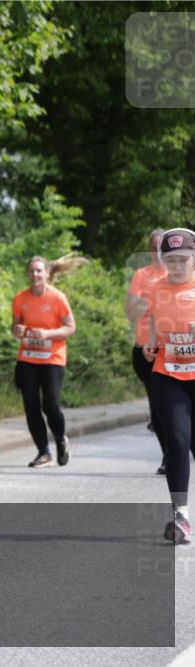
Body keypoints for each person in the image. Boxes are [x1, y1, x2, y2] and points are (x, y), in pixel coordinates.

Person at [142, 228, 195, 546]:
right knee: (176, 442)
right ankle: (182, 516)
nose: (176, 267)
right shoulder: (155, 288)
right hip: (168, 372)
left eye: (183, 260)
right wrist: (151, 341)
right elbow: (153, 321)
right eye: (170, 260)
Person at [11, 255, 79, 468]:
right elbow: (15, 328)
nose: (35, 274)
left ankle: (60, 438)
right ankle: (43, 452)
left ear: (48, 273)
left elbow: (70, 327)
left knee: (50, 404)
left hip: (53, 359)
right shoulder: (20, 299)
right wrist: (18, 331)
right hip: (28, 358)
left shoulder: (57, 298)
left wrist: (47, 334)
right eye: (31, 271)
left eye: (39, 270)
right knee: (31, 406)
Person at [127, 229, 168, 474]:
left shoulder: (183, 273)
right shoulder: (141, 276)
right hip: (146, 350)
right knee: (159, 403)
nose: (159, 253)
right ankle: (169, 456)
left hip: (178, 349)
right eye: (154, 248)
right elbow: (131, 313)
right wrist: (149, 300)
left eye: (163, 247)